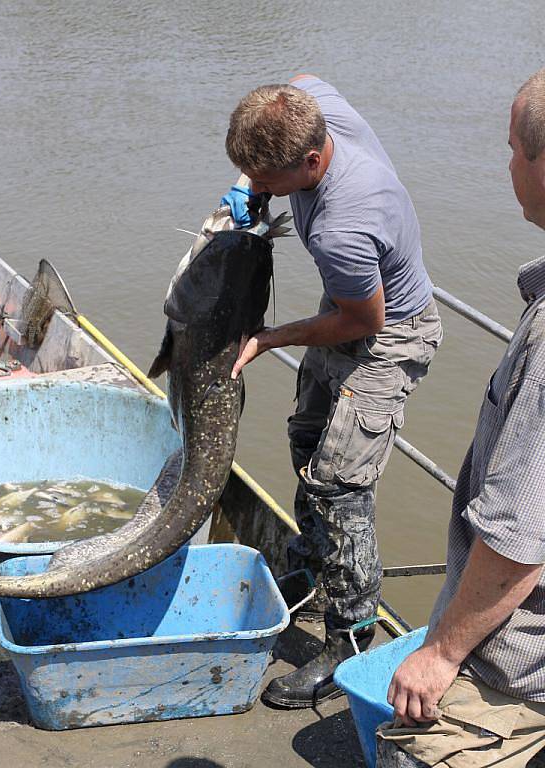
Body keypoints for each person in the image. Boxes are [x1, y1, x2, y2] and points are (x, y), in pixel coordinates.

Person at [220, 75, 442, 709]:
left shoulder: (342, 226)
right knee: (305, 438)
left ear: (312, 161)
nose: (259, 190)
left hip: (388, 332)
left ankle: (349, 635)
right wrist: (246, 182)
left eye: (266, 179)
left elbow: (364, 322)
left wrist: (269, 338)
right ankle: (314, 564)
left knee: (339, 483)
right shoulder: (317, 110)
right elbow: (299, 80)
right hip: (349, 306)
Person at [377, 66, 545, 768]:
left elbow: (518, 531)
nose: (505, 163)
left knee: (411, 750)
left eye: (511, 146)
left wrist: (441, 652)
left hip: (519, 669)